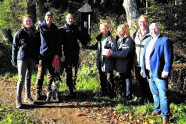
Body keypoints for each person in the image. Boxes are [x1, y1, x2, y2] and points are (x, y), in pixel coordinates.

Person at [140, 23, 173, 124]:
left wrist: (166, 70)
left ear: (159, 29)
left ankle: (165, 115)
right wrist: (142, 68)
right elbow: (144, 56)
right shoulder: (148, 41)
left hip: (159, 72)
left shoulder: (164, 40)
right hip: (149, 72)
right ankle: (157, 110)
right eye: (151, 29)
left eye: (155, 28)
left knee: (163, 94)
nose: (153, 30)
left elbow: (169, 57)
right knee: (154, 93)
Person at [11, 15, 40, 108]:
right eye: (26, 21)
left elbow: (37, 47)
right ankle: (18, 98)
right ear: (23, 22)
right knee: (21, 78)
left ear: (32, 22)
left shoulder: (35, 33)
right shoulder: (19, 33)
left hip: (32, 58)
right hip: (22, 58)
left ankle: (28, 96)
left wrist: (36, 60)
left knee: (29, 77)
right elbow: (14, 47)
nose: (28, 22)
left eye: (30, 21)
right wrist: (14, 60)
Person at [36, 11, 63, 101]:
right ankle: (38, 92)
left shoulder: (55, 28)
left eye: (51, 17)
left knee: (51, 74)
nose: (49, 18)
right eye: (48, 16)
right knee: (40, 74)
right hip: (42, 54)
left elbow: (58, 43)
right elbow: (35, 41)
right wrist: (36, 54)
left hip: (52, 55)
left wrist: (58, 54)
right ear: (45, 17)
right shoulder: (40, 27)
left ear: (53, 18)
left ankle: (49, 92)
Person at [103, 23, 134, 100]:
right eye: (119, 31)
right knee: (123, 79)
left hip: (126, 63)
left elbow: (124, 53)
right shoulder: (118, 39)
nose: (120, 32)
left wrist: (112, 53)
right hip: (120, 64)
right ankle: (123, 95)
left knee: (127, 79)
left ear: (125, 31)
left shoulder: (128, 40)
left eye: (122, 31)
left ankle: (128, 96)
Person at [58, 13, 85, 96]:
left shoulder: (75, 28)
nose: (70, 20)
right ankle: (70, 89)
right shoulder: (62, 30)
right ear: (66, 19)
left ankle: (73, 86)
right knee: (68, 71)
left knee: (75, 70)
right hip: (67, 54)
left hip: (75, 53)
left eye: (71, 18)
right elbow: (59, 43)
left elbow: (80, 38)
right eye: (69, 18)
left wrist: (84, 43)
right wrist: (60, 55)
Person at [86, 23, 116, 98]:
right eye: (102, 28)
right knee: (102, 77)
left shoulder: (111, 38)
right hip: (100, 61)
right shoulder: (100, 38)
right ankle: (104, 92)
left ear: (108, 29)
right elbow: (96, 47)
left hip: (108, 60)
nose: (104, 30)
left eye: (105, 28)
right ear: (100, 29)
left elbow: (114, 48)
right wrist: (87, 47)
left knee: (109, 77)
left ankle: (111, 94)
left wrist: (110, 52)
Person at [133, 15, 152, 102]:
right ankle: (143, 98)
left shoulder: (151, 35)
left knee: (149, 82)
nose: (142, 23)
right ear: (138, 23)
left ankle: (150, 99)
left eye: (144, 21)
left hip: (147, 63)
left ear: (147, 23)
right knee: (140, 81)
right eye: (141, 21)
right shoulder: (135, 34)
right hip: (137, 62)